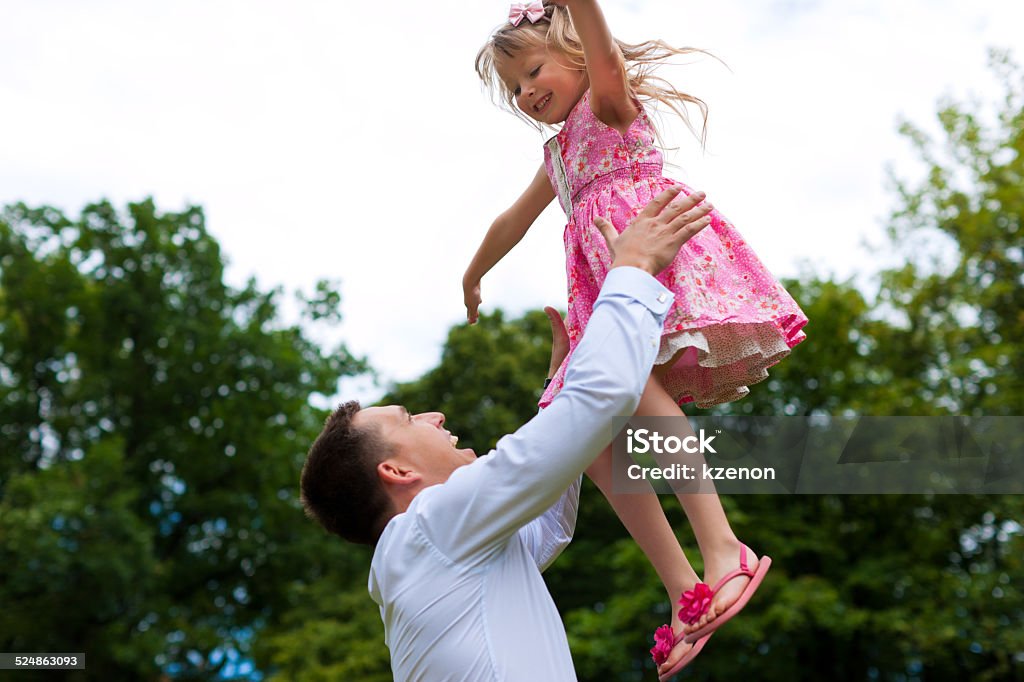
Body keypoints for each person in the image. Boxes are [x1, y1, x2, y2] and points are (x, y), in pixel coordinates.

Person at [467, 1, 808, 677]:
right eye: (514, 89)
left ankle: (723, 545)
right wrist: (475, 272)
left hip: (650, 258)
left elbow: (608, 56)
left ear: (571, 53)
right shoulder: (557, 154)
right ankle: (685, 586)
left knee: (634, 389)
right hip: (603, 289)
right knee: (581, 430)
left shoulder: (608, 101)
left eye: (532, 70)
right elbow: (513, 218)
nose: (526, 92)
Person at [301, 187, 712, 681]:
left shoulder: (438, 554)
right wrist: (632, 269)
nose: (435, 417)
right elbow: (601, 399)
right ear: (396, 470)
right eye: (410, 419)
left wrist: (556, 393)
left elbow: (549, 526)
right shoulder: (427, 530)